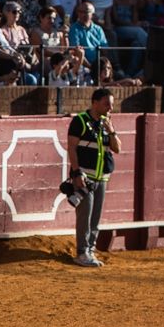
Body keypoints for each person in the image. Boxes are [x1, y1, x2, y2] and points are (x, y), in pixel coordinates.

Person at [66, 88, 120, 268]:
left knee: (95, 217)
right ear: (94, 102)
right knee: (85, 216)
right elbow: (72, 148)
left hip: (102, 178)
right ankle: (82, 252)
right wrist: (76, 172)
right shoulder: (80, 121)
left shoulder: (107, 123)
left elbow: (117, 148)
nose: (110, 108)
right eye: (106, 104)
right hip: (85, 177)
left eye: (111, 105)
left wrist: (111, 131)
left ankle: (90, 250)